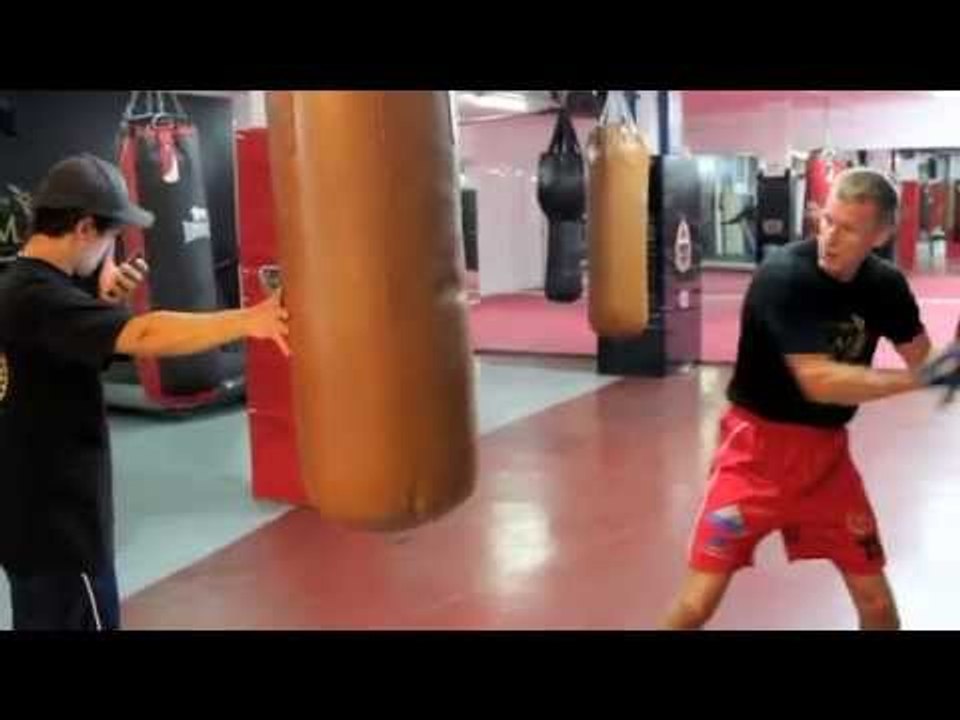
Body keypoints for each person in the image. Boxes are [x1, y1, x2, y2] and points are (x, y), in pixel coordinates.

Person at [0, 154, 289, 630]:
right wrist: (250, 320)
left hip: (28, 520)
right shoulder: (43, 298)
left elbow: (55, 356)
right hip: (62, 529)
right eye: (112, 239)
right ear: (85, 229)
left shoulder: (20, 285)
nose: (109, 254)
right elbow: (146, 334)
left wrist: (98, 304)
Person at [663, 167, 949, 631]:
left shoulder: (886, 287)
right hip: (752, 456)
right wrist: (925, 379)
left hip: (826, 464)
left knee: (876, 603)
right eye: (826, 220)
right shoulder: (783, 277)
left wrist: (949, 365)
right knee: (698, 603)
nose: (830, 238)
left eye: (849, 228)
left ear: (881, 234)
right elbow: (819, 381)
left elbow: (922, 359)